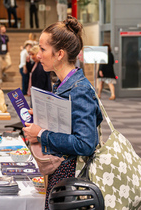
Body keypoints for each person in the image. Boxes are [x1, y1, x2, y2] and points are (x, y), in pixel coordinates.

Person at [22, 16, 103, 209]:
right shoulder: (64, 85)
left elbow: (85, 144)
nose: (38, 55)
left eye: (42, 49)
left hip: (72, 183)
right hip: (62, 177)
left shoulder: (79, 89)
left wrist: (41, 133)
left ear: (59, 54)